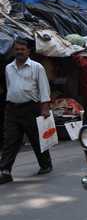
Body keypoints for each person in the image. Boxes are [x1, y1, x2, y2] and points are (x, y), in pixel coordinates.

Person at [1, 37, 53, 183]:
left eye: (22, 49)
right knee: (10, 140)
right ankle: (4, 171)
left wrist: (45, 107)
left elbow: (44, 88)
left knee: (36, 138)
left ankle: (45, 164)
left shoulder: (37, 67)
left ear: (29, 51)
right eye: (17, 49)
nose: (19, 52)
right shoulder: (8, 68)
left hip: (31, 107)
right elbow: (9, 87)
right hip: (12, 108)